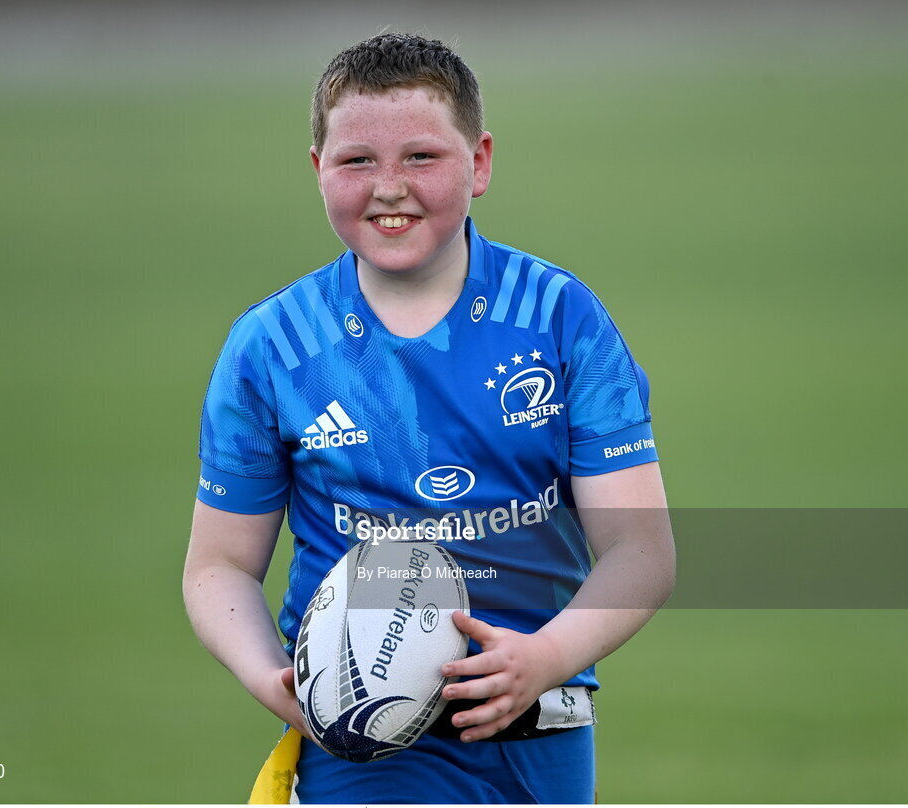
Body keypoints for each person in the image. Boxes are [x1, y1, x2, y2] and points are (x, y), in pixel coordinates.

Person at [183, 32, 675, 804]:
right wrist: (270, 678)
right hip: (362, 750)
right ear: (317, 172)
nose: (388, 187)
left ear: (478, 163)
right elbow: (217, 566)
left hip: (541, 733)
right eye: (355, 161)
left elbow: (640, 551)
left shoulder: (559, 320)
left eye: (420, 157)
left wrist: (541, 659)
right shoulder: (273, 346)